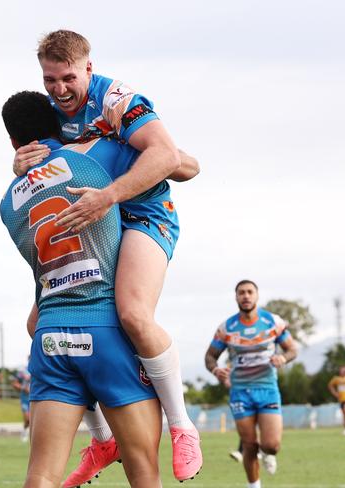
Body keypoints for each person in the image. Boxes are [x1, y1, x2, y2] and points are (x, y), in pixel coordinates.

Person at [12, 30, 202, 481]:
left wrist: (109, 195)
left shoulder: (117, 99)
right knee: (38, 323)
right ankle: (102, 438)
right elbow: (49, 173)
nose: (59, 90)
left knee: (133, 314)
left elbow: (183, 163)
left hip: (140, 214)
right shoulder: (54, 116)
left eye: (68, 78)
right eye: (49, 80)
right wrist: (21, 165)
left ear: (89, 69)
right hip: (97, 222)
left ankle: (182, 426)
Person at [1, 91, 162, 488]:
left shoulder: (7, 201)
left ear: (14, 143)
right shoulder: (92, 159)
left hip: (51, 335)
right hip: (106, 329)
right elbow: (173, 163)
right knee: (143, 470)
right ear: (59, 125)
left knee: (41, 476)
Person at [205, 280, 297, 488]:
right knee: (249, 444)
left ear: (256, 295)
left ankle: (269, 454)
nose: (245, 296)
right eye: (241, 293)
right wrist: (216, 369)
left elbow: (292, 350)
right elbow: (210, 356)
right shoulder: (227, 327)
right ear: (236, 297)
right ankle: (254, 486)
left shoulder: (272, 322)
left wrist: (283, 358)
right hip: (240, 392)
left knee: (271, 445)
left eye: (249, 292)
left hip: (267, 389)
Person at [11, 361, 31, 442]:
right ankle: (25, 432)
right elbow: (14, 384)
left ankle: (31, 435)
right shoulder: (22, 372)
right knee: (27, 419)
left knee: (35, 420)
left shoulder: (42, 368)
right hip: (25, 399)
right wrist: (23, 388)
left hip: (38, 398)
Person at [327, 365, 345, 435]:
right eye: (342, 370)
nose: (343, 371)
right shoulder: (336, 379)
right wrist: (335, 394)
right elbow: (330, 386)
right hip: (341, 400)